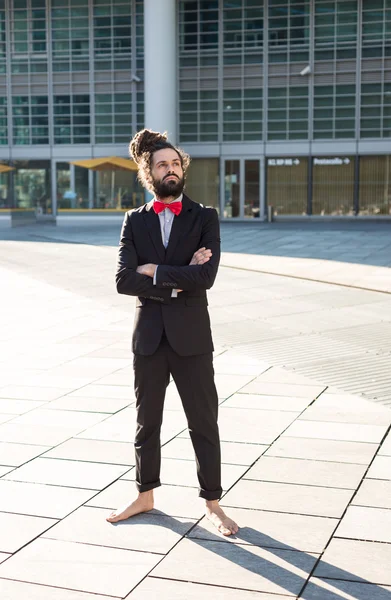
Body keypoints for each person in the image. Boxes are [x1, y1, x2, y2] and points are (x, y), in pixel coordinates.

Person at [106, 129, 238, 536]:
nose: (170, 169)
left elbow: (208, 276)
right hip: (148, 337)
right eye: (162, 164)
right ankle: (145, 495)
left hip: (193, 338)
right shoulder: (134, 220)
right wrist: (182, 276)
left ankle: (213, 503)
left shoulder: (204, 217)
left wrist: (157, 271)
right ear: (149, 172)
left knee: (204, 421)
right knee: (147, 422)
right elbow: (123, 280)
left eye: (175, 163)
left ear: (182, 169)